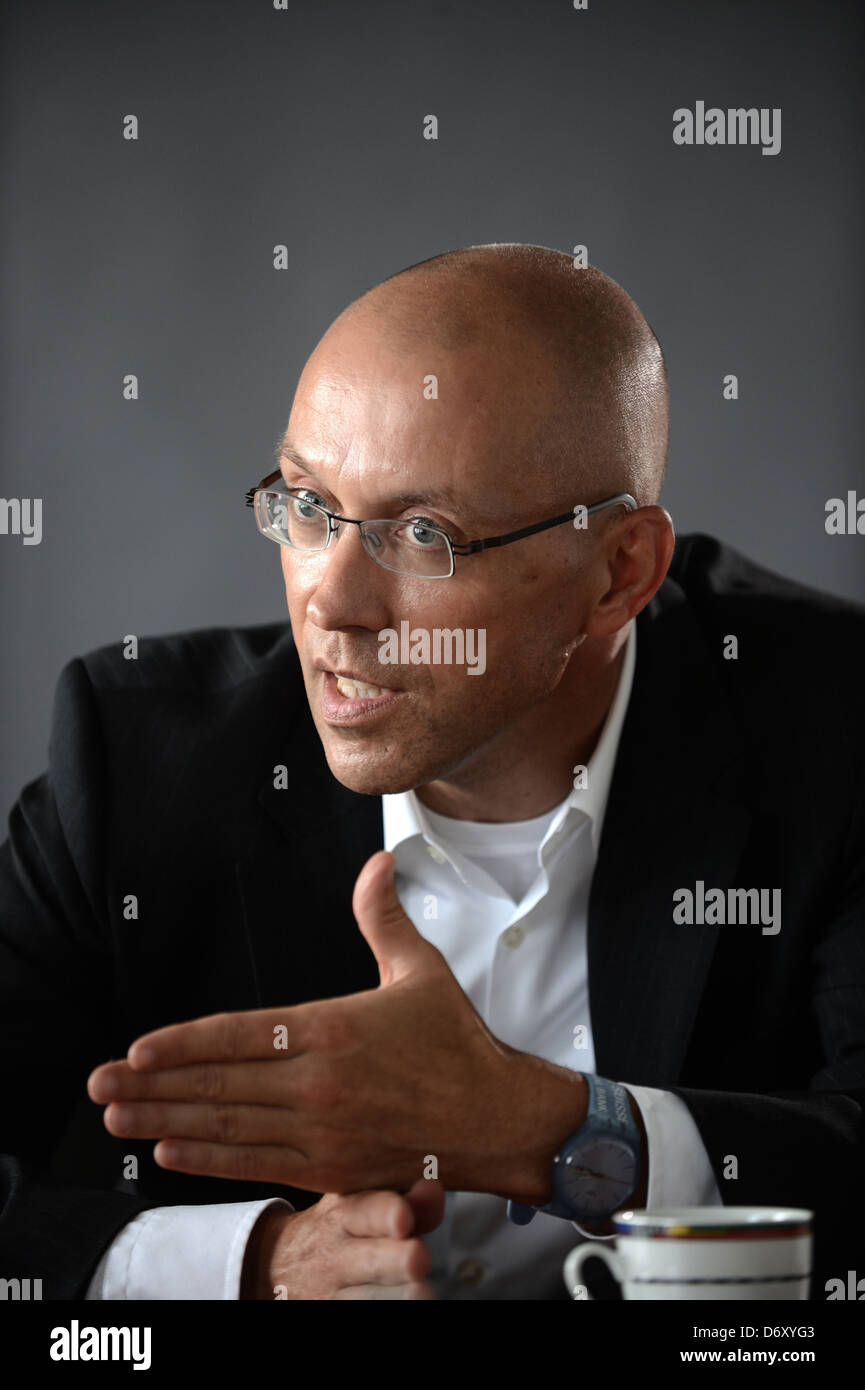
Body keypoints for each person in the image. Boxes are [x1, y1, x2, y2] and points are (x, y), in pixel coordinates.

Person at [1, 244, 862, 1300]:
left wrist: (552, 1130)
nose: (332, 604)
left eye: (424, 534)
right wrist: (252, 1267)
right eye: (310, 506)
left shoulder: (834, 729)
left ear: (617, 572)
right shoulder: (134, 762)